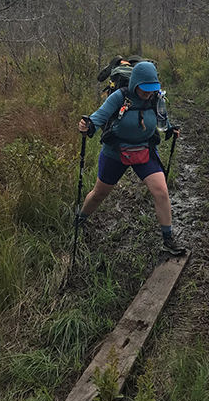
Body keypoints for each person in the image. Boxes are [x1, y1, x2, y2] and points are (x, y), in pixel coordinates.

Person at [78, 61, 186, 256]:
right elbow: (99, 116)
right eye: (144, 89)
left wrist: (170, 128)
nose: (148, 93)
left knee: (161, 190)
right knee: (99, 193)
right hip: (115, 153)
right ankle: (80, 218)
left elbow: (161, 121)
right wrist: (88, 125)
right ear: (135, 83)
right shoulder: (120, 96)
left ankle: (168, 239)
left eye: (152, 89)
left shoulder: (156, 98)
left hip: (145, 150)